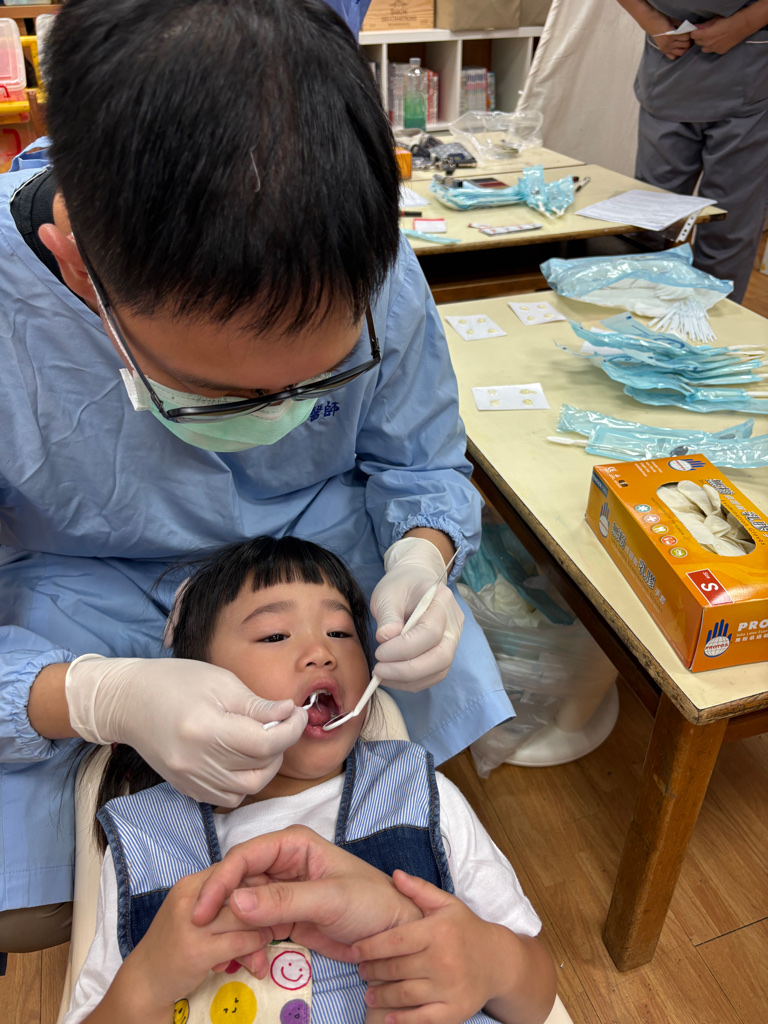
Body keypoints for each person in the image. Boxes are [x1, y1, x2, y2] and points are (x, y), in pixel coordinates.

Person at [0, 0, 512, 948]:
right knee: (45, 910)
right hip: (83, 589)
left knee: (401, 812)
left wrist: (422, 556)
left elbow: (420, 458)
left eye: (316, 381)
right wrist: (91, 695)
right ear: (78, 269)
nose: (278, 411)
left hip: (321, 555)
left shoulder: (367, 254)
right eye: (220, 395)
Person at [61, 535, 555, 1024]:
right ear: (195, 683)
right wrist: (147, 983)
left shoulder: (417, 798)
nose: (321, 652)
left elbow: (536, 996)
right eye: (275, 636)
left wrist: (489, 963)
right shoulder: (149, 839)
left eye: (340, 632)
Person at [616, 0, 768, 303]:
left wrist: (746, 22)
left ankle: (715, 326)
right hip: (672, 63)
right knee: (651, 222)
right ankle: (639, 322)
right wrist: (649, 20)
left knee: (728, 226)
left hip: (749, 71)